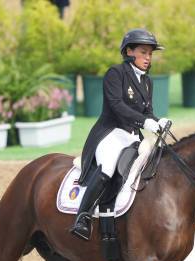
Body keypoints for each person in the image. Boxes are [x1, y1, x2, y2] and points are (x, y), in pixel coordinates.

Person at [70, 29, 170, 241]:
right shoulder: (115, 73)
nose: (148, 57)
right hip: (111, 133)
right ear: (129, 51)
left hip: (132, 135)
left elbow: (147, 112)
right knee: (107, 167)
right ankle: (83, 217)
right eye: (143, 52)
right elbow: (116, 105)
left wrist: (157, 120)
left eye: (150, 53)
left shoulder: (146, 81)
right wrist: (145, 122)